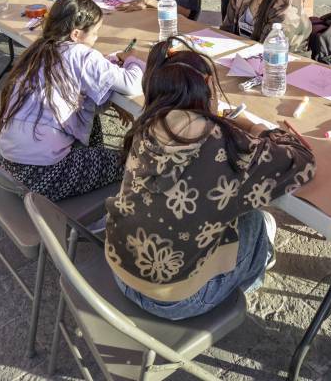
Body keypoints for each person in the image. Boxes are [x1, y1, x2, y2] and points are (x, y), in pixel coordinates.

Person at [106, 37, 315, 320]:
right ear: (207, 83)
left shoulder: (146, 126)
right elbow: (301, 161)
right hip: (178, 299)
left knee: (225, 204)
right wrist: (254, 126)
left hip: (121, 271)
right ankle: (249, 279)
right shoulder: (222, 144)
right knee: (254, 217)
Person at [0, 0, 144, 201]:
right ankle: (110, 211)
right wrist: (132, 60)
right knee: (135, 162)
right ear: (76, 34)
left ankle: (92, 160)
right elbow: (133, 84)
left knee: (92, 123)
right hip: (44, 174)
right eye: (95, 33)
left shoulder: (39, 49)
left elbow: (76, 98)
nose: (96, 38)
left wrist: (106, 71)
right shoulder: (80, 54)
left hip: (10, 165)